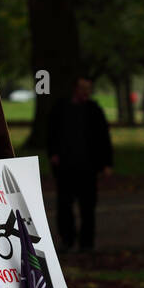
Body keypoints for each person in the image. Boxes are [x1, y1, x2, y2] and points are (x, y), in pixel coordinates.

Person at [47, 74, 113, 253]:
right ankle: (67, 239)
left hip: (88, 167)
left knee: (88, 206)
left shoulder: (94, 110)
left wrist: (107, 163)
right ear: (75, 88)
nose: (85, 92)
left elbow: (103, 138)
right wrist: (53, 154)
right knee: (65, 205)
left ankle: (86, 242)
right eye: (82, 88)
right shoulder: (61, 108)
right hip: (66, 166)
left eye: (88, 89)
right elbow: (51, 132)